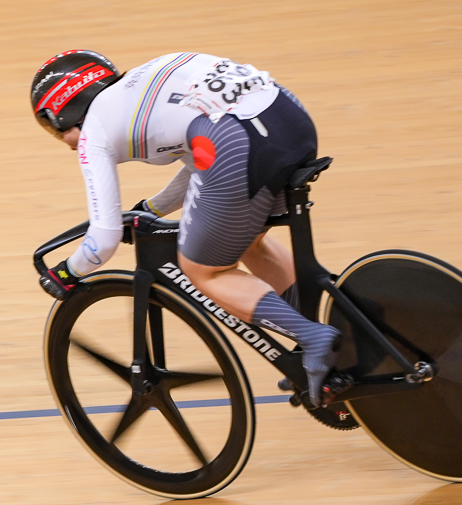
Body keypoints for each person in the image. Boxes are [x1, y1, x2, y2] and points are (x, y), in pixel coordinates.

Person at [30, 50, 342, 402]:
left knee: (204, 270)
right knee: (248, 242)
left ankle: (315, 337)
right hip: (288, 118)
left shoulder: (94, 132)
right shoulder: (139, 83)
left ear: (64, 110)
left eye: (54, 130)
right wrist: (151, 208)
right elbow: (199, 157)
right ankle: (341, 339)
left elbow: (103, 239)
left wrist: (68, 272)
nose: (64, 143)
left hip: (236, 143)